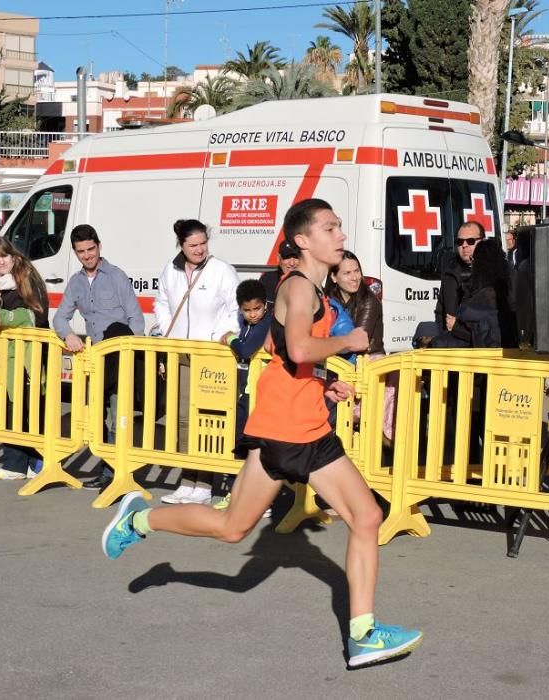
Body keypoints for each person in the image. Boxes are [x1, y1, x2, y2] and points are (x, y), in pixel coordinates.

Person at [102, 198, 423, 668]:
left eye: (339, 227)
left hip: (286, 425)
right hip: (297, 433)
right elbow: (298, 344)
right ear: (303, 241)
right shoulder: (300, 289)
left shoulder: (309, 289)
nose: (341, 236)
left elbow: (284, 357)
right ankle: (363, 634)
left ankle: (138, 521)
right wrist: (349, 343)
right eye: (331, 228)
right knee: (367, 517)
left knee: (234, 528)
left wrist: (323, 381)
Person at [53, 224, 145, 490]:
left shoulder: (116, 276)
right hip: (94, 361)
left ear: (99, 246)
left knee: (119, 416)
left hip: (120, 358)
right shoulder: (76, 282)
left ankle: (118, 473)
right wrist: (68, 334)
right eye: (81, 251)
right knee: (97, 417)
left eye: (90, 249)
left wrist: (131, 358)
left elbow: (135, 320)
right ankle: (108, 469)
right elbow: (61, 317)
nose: (87, 255)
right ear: (75, 252)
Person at [155, 219, 240, 505]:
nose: (200, 249)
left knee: (206, 419)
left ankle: (204, 482)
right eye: (193, 245)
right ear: (181, 245)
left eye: (203, 243)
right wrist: (169, 333)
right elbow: (162, 302)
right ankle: (187, 479)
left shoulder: (221, 271)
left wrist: (219, 336)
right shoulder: (171, 269)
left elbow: (235, 309)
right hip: (180, 353)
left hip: (210, 357)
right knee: (181, 419)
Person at [0, 238, 50, 480]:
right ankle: (15, 464)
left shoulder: (28, 275)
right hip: (8, 352)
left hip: (33, 350)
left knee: (32, 405)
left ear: (12, 255)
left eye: (4, 255)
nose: (0, 261)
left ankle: (36, 460)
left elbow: (38, 315)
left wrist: (6, 318)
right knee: (12, 404)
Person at [214, 278, 272, 511]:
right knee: (238, 440)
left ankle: (260, 497)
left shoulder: (266, 323)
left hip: (262, 392)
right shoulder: (246, 323)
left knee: (255, 443)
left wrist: (230, 339)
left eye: (257, 309)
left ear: (265, 306)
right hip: (245, 391)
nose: (253, 314)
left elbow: (246, 349)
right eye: (247, 310)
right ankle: (235, 490)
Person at [433, 237, 517, 349]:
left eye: (473, 259)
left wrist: (455, 327)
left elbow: (482, 336)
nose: (472, 263)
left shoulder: (481, 297)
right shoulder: (510, 290)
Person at [325, 250, 385, 356]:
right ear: (334, 277)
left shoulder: (368, 301)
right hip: (337, 361)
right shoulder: (328, 300)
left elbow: (359, 342)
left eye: (357, 271)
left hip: (367, 362)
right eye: (347, 273)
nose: (354, 278)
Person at [435, 221, 481, 334]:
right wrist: (442, 337)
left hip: (480, 347)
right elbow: (440, 311)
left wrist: (457, 328)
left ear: (482, 242)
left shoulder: (492, 272)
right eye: (460, 242)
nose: (464, 245)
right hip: (452, 345)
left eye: (470, 241)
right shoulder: (449, 271)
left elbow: (490, 324)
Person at [260, 240, 300, 305]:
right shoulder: (267, 279)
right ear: (278, 258)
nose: (292, 263)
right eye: (287, 257)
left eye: (296, 257)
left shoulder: (310, 280)